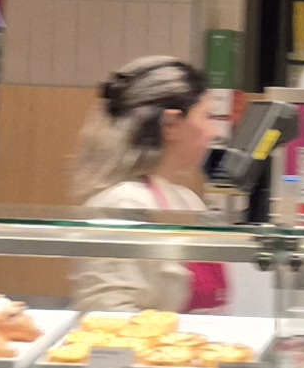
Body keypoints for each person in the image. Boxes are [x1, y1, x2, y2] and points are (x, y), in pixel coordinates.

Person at [66, 54, 234, 315]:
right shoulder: (122, 204)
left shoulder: (186, 199)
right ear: (171, 125)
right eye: (206, 117)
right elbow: (109, 318)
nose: (215, 132)